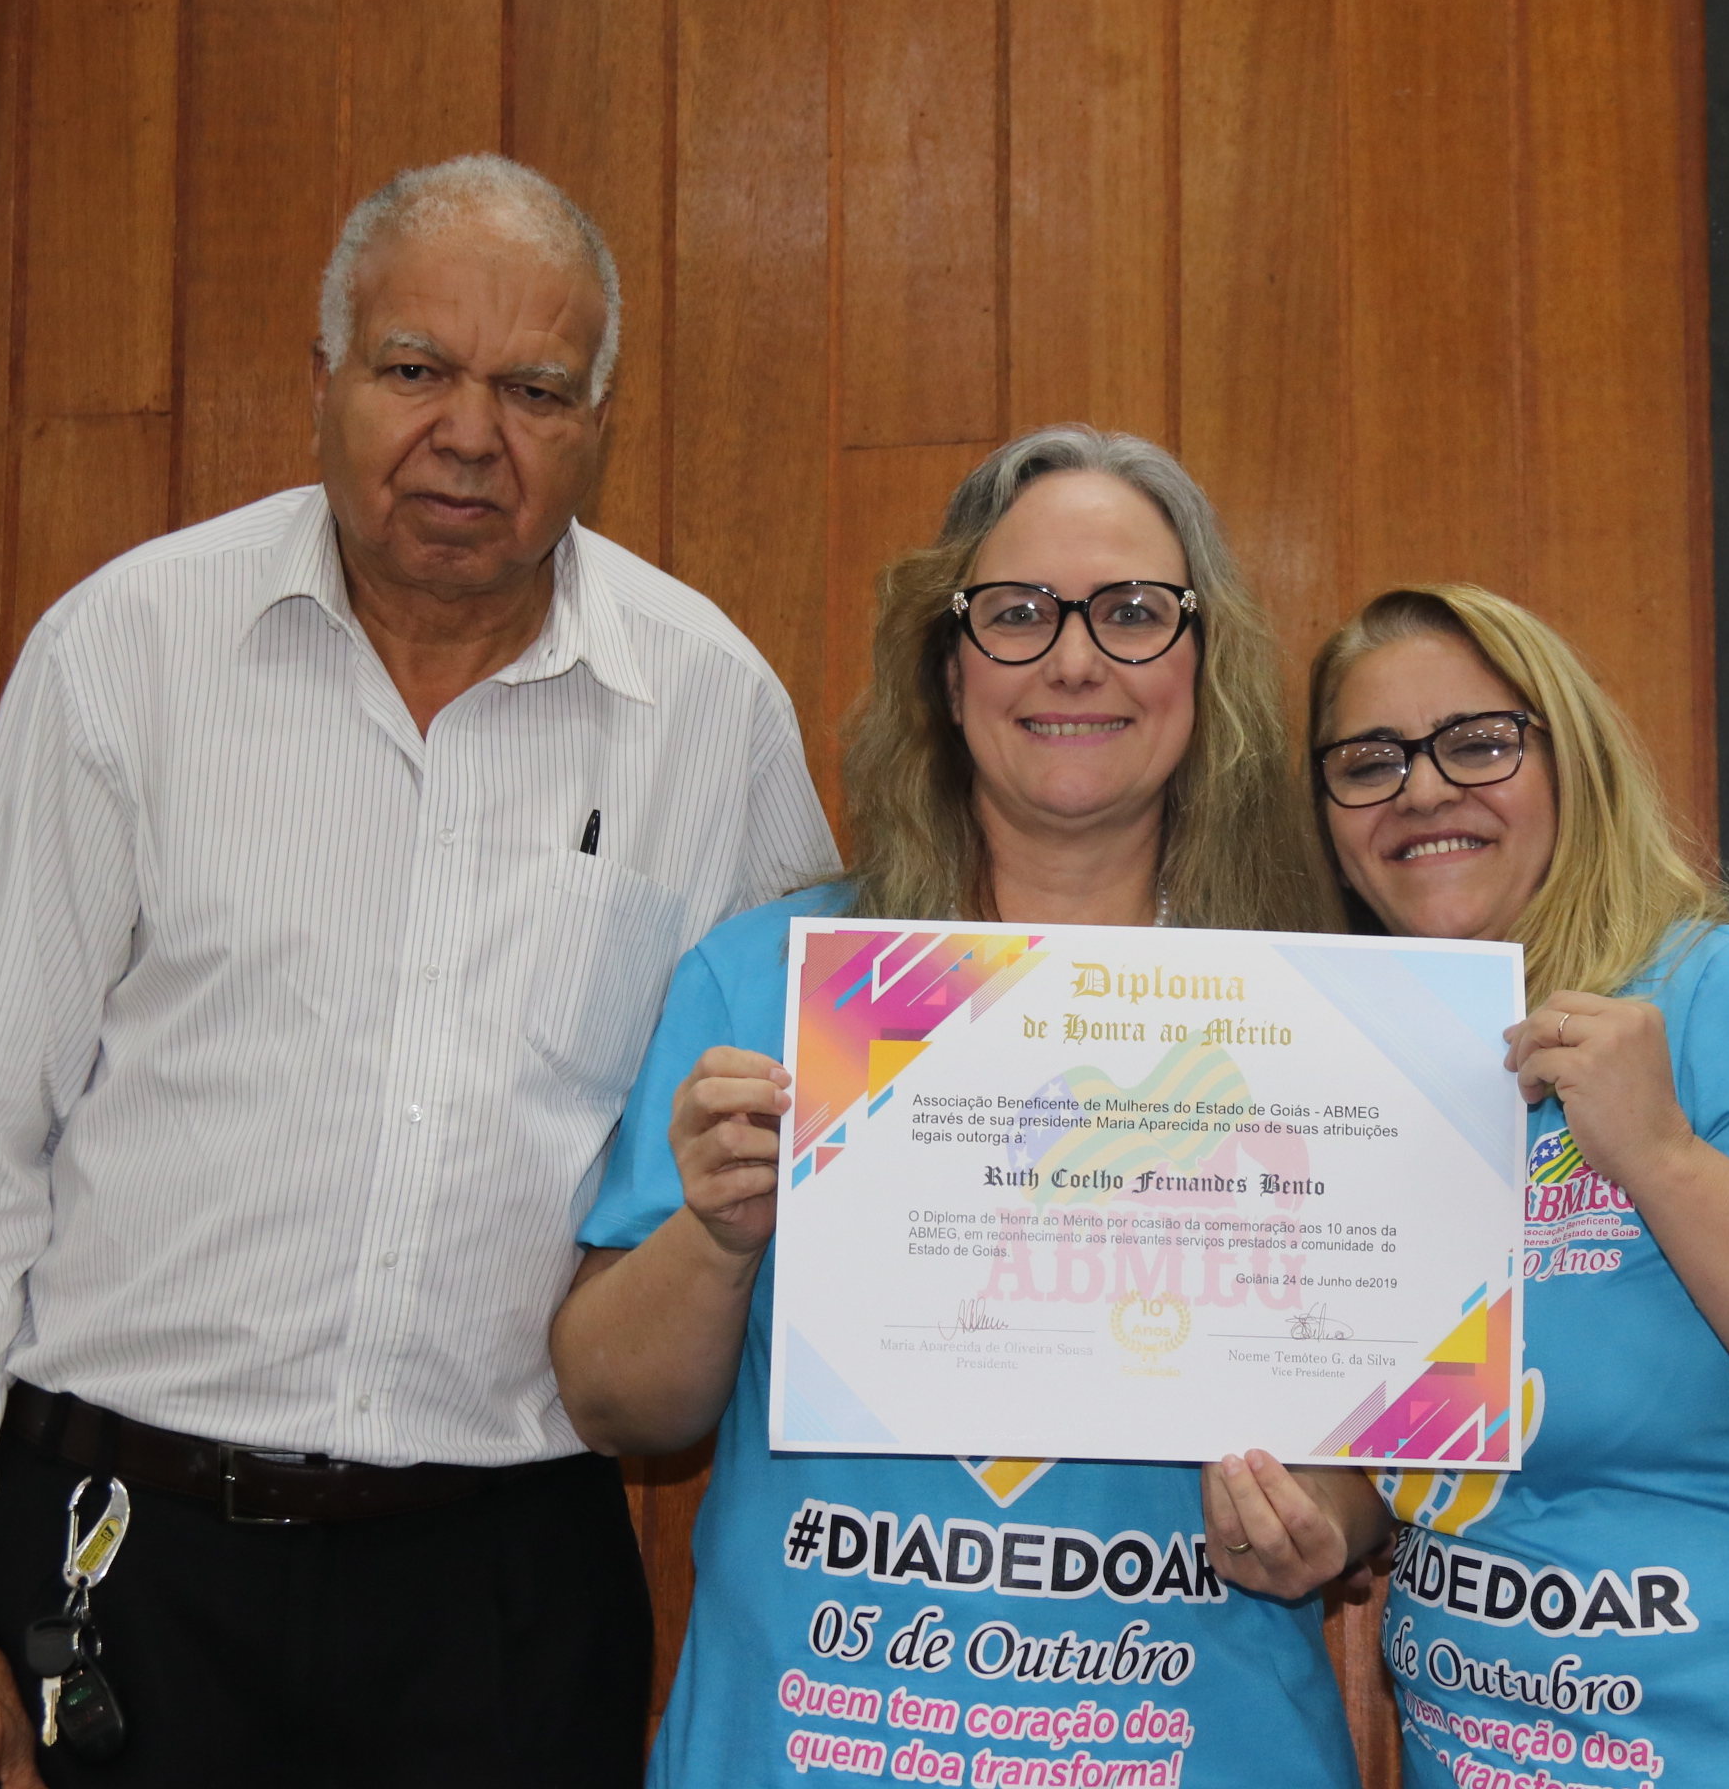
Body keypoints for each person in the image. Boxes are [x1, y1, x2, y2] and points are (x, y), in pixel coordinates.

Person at [0, 155, 836, 1789]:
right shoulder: (128, 651)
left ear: (600, 422)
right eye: (415, 368)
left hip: (503, 1592)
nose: (469, 433)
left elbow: (815, 1146)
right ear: (325, 379)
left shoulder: (712, 710)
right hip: (121, 1561)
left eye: (534, 389)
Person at [550, 427, 1364, 1788]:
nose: (1074, 660)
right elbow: (614, 1401)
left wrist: (1327, 1519)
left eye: (1134, 611)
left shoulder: (1318, 1015)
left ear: (1203, 663)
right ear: (947, 666)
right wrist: (720, 1234)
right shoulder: (770, 982)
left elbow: (1386, 1440)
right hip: (820, 1741)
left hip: (1184, 1748)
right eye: (1017, 612)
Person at [1201, 584, 1729, 1789]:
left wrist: (1664, 1156)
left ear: (1575, 760)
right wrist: (1319, 1522)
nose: (1423, 789)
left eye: (1479, 742)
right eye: (1368, 761)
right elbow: (1430, 1460)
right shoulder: (1358, 1084)